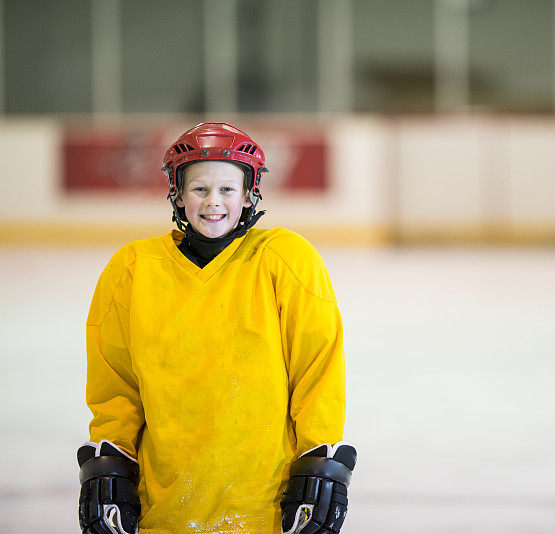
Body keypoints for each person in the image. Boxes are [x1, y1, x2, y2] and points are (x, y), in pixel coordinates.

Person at [77, 122, 356, 534]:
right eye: (199, 189)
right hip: (165, 507)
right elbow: (115, 381)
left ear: (248, 195)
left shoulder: (286, 259)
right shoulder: (133, 268)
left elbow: (317, 369)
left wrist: (318, 456)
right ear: (177, 193)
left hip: (264, 506)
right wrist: (114, 457)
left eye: (227, 189)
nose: (213, 202)